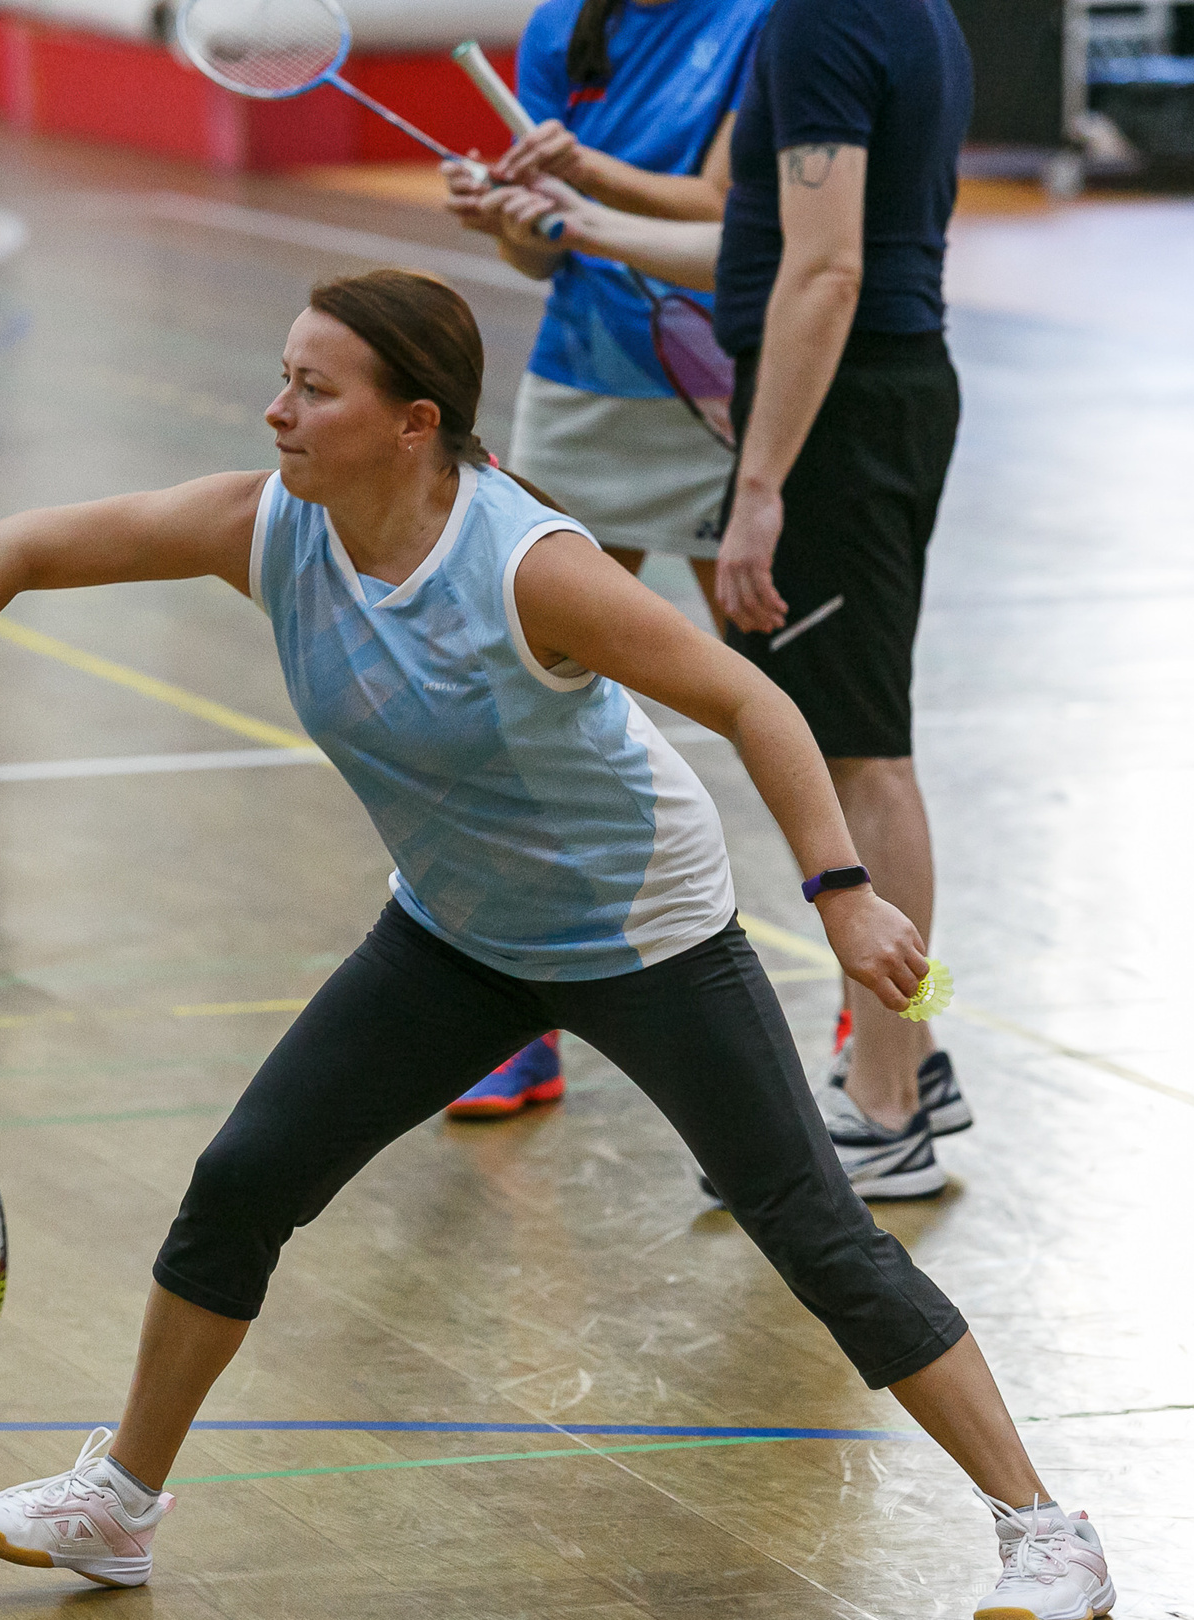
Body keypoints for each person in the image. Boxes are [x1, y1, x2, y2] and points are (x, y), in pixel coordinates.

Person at [0, 268, 1114, 1620]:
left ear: (414, 421)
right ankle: (121, 1497)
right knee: (244, 1179)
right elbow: (14, 546)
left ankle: (1047, 1528)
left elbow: (750, 696)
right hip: (456, 930)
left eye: (314, 387)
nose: (277, 409)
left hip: (641, 930)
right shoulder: (268, 527)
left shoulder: (527, 567)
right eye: (283, 375)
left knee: (814, 1229)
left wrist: (840, 895)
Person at [473, 0, 978, 1202]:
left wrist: (757, 486)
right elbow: (761, 245)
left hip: (844, 415)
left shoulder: (813, 22)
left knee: (860, 754)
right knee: (851, 740)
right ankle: (917, 1057)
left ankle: (889, 1097)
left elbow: (826, 267)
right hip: (869, 395)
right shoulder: (903, 15)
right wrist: (576, 217)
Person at [434, 0, 771, 1123]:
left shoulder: (757, 18)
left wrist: (581, 173)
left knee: (800, 707)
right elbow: (541, 253)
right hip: (583, 384)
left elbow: (728, 211)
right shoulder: (556, 30)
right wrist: (507, 215)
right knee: (522, 708)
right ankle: (519, 1022)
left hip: (733, 392)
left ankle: (884, 1011)